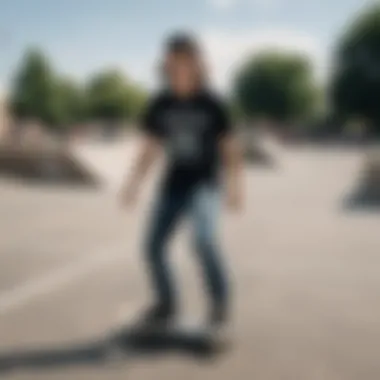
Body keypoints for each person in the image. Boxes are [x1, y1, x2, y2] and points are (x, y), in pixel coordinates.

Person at [119, 32, 243, 329]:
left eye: (186, 63)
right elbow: (149, 148)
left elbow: (229, 147)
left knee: (202, 240)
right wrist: (133, 184)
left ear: (197, 64)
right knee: (152, 248)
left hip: (204, 185)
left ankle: (219, 303)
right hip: (172, 184)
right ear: (167, 64)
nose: (179, 70)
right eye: (173, 64)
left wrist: (235, 188)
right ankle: (166, 304)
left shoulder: (212, 102)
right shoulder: (160, 103)